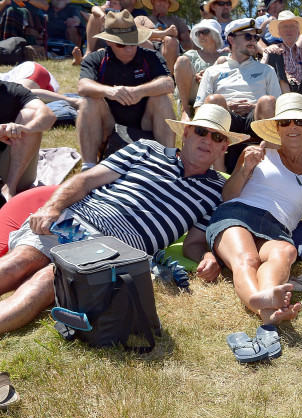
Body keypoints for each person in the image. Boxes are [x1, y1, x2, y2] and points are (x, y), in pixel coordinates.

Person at [0, 103, 240, 336]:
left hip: (112, 251)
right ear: (186, 133)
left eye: (217, 137)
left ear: (224, 148)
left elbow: (194, 243)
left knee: (45, 281)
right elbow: (86, 180)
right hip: (75, 221)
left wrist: (207, 257)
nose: (208, 140)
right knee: (19, 262)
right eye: (201, 131)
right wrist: (52, 207)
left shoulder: (218, 192)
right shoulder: (146, 149)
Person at [210, 93, 302, 338]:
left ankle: (267, 309)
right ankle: (263, 304)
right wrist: (246, 168)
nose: (292, 127)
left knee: (286, 251)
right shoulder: (256, 154)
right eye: (285, 122)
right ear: (276, 128)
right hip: (239, 213)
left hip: (277, 228)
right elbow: (228, 195)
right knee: (247, 259)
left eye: (299, 122)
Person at [77, 10, 176, 171]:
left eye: (133, 43)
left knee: (162, 99)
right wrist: (109, 92)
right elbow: (82, 86)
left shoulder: (150, 56)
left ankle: (168, 161)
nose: (129, 49)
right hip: (109, 126)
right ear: (109, 42)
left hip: (145, 125)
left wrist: (140, 91)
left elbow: (168, 84)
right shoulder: (96, 59)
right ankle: (88, 166)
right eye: (122, 44)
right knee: (89, 101)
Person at [196, 17, 281, 170]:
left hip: (256, 118)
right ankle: (219, 172)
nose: (253, 41)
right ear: (231, 39)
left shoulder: (266, 70)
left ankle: (273, 169)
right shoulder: (213, 71)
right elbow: (199, 109)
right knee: (215, 100)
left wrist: (256, 107)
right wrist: (225, 108)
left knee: (267, 102)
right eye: (248, 36)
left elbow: (279, 107)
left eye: (256, 37)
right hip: (224, 118)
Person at [0, 80, 54, 202]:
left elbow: (48, 115)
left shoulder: (13, 90)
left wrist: (26, 129)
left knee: (31, 116)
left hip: (8, 166)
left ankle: (9, 189)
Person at [173, 19, 226, 120]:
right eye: (198, 33)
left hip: (213, 92)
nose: (201, 35)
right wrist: (194, 77)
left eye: (205, 32)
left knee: (223, 61)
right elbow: (183, 75)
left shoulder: (225, 56)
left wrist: (208, 79)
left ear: (215, 34)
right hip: (192, 92)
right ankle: (186, 110)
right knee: (182, 60)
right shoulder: (191, 54)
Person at [136, 0, 191, 72]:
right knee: (144, 42)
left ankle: (169, 77)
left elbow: (189, 44)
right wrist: (162, 34)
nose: (163, 3)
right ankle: (148, 76)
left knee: (171, 41)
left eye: (166, 1)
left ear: (169, 5)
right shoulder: (142, 19)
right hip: (148, 46)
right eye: (159, 0)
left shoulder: (177, 21)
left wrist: (175, 43)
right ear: (153, 2)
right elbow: (134, 29)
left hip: (168, 49)